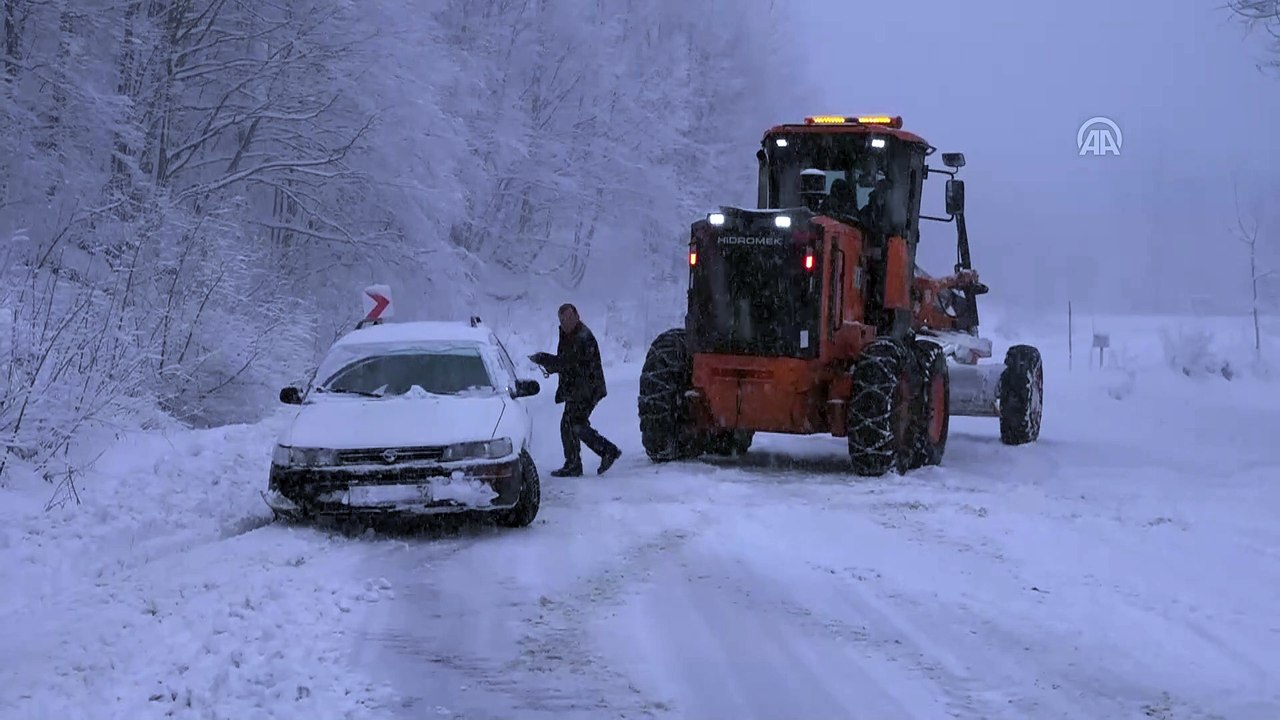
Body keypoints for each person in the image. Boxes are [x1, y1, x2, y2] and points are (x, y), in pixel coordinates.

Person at [529, 304, 621, 477]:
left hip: (588, 389)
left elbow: (570, 363)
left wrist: (545, 360)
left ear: (577, 316)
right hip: (578, 389)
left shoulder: (583, 337)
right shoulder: (567, 335)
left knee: (572, 424)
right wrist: (549, 363)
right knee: (572, 424)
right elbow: (566, 363)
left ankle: (594, 456)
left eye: (569, 318)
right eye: (563, 320)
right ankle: (586, 459)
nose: (566, 323)